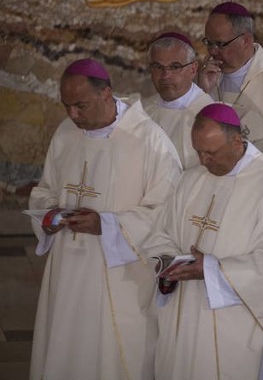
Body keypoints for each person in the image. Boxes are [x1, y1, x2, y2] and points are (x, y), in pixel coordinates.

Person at [28, 59, 182, 380]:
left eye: (80, 105)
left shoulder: (150, 141)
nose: (73, 115)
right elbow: (45, 190)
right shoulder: (66, 133)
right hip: (68, 270)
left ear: (107, 93)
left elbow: (167, 212)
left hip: (121, 275)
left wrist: (107, 225)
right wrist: (50, 215)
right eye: (66, 105)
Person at [143, 103, 263, 379]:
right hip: (185, 318)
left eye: (211, 152)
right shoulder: (191, 179)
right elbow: (162, 234)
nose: (204, 160)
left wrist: (211, 270)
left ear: (237, 142)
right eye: (198, 151)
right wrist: (167, 262)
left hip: (239, 325)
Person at [198, 1, 263, 171]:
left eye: (220, 44)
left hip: (257, 179)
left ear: (246, 40)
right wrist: (201, 92)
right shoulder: (206, 77)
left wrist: (237, 151)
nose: (212, 51)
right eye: (208, 42)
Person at [142, 32, 214, 168]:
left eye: (175, 67)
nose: (165, 75)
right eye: (158, 67)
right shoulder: (142, 110)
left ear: (193, 69)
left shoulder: (209, 116)